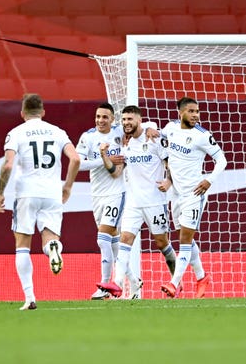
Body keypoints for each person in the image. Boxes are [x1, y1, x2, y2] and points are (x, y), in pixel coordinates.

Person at [0, 93, 80, 310]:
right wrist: (68, 186)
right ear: (43, 112)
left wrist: (0, 193)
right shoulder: (57, 131)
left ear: (22, 113)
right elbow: (76, 158)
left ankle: (30, 297)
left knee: (22, 246)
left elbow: (7, 164)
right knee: (49, 238)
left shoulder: (16, 133)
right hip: (52, 193)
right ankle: (53, 247)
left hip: (26, 193)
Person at [76, 102, 159, 300]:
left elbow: (147, 124)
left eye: (105, 117)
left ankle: (105, 287)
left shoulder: (119, 130)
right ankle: (134, 281)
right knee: (112, 243)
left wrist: (150, 129)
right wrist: (105, 161)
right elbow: (78, 164)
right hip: (97, 195)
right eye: (97, 117)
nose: (100, 120)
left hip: (118, 193)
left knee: (102, 239)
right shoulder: (88, 137)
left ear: (112, 119)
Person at [96, 105, 177, 299]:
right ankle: (116, 284)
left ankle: (176, 280)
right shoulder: (126, 144)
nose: (126, 123)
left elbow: (170, 163)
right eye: (123, 120)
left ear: (139, 120)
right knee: (125, 239)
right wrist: (104, 156)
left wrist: (168, 181)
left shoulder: (154, 138)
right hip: (133, 202)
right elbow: (115, 172)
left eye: (130, 119)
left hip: (155, 202)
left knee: (161, 243)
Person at [159, 97, 228, 298]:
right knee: (186, 239)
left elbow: (221, 160)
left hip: (194, 194)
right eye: (191, 111)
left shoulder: (203, 136)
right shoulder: (170, 128)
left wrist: (209, 180)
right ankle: (202, 277)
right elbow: (160, 137)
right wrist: (150, 131)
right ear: (180, 112)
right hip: (176, 195)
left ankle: (174, 283)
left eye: (197, 111)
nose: (196, 115)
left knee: (185, 240)